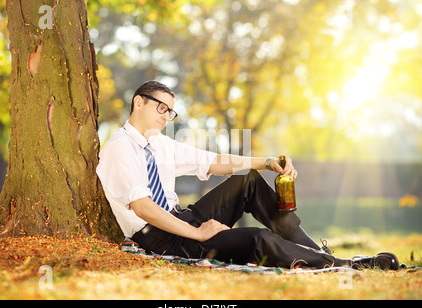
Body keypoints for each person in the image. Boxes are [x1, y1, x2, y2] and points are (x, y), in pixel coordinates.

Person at [96, 80, 399, 270]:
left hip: (182, 219)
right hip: (160, 238)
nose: (166, 117)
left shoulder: (159, 144)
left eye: (170, 112)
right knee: (255, 239)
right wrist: (199, 233)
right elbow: (143, 207)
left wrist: (267, 162)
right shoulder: (120, 148)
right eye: (161, 108)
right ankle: (343, 264)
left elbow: (215, 161)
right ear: (139, 102)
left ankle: (315, 251)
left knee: (248, 181)